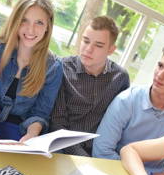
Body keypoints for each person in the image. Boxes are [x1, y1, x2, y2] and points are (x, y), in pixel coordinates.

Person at [92, 41, 164, 175]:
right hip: (117, 174)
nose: (160, 75)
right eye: (160, 65)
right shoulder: (127, 100)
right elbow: (101, 151)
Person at [0, 0, 63, 142]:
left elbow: (40, 114)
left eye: (39, 22)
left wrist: (32, 135)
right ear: (15, 21)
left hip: (20, 133)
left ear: (48, 27)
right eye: (24, 20)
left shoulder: (53, 67)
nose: (31, 30)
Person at [49, 16, 130, 156]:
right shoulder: (63, 68)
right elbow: (57, 122)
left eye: (98, 45)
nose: (88, 49)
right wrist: (83, 156)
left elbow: (119, 124)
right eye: (85, 41)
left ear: (111, 49)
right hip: (62, 145)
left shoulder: (120, 78)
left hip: (100, 150)